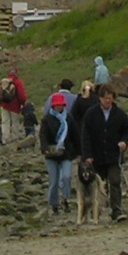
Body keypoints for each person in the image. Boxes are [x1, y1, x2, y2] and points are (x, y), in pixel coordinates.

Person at [78, 83, 128, 224]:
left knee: (115, 181)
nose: (108, 101)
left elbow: (127, 130)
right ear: (100, 99)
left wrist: (124, 142)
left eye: (110, 98)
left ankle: (116, 210)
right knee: (95, 186)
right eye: (105, 98)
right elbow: (85, 136)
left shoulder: (120, 114)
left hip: (113, 156)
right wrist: (87, 155)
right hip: (95, 158)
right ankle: (93, 212)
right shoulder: (91, 114)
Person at [39, 83, 79, 219]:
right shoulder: (47, 119)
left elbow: (75, 135)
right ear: (53, 106)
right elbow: (43, 136)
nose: (59, 107)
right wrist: (45, 149)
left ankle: (66, 199)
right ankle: (54, 203)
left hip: (66, 153)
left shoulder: (69, 118)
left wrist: (80, 152)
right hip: (51, 154)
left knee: (67, 177)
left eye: (61, 105)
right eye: (57, 105)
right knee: (54, 181)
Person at [0, 69, 31, 148]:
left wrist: (1, 103)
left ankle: (5, 138)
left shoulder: (3, 82)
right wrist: (23, 103)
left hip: (4, 105)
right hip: (15, 106)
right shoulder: (18, 82)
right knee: (15, 122)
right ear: (17, 74)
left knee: (5, 122)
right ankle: (15, 137)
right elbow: (21, 96)